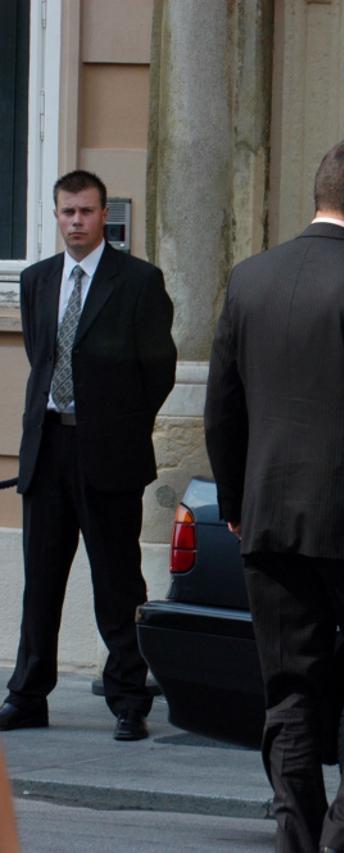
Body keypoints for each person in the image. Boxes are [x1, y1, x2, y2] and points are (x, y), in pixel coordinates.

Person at [204, 137, 344, 853]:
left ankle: (299, 838)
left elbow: (221, 409)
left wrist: (237, 502)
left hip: (270, 519)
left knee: (290, 689)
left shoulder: (250, 279)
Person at [1, 170, 176, 741]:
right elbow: (43, 357)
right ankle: (28, 695)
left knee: (117, 582)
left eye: (85, 211)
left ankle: (128, 699)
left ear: (104, 216)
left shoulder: (139, 281)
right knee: (41, 581)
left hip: (108, 453)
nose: (76, 221)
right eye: (67, 212)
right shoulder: (36, 280)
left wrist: (118, 426)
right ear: (56, 216)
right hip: (48, 446)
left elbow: (158, 370)